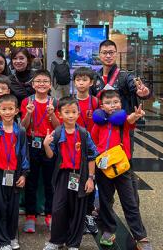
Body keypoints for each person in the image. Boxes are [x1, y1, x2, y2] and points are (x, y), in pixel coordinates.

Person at [91, 90, 152, 250]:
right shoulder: (99, 123)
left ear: (120, 103)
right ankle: (109, 230)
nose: (113, 105)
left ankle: (140, 236)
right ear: (102, 106)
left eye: (116, 102)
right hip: (103, 168)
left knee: (130, 202)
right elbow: (94, 141)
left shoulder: (123, 121)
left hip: (122, 168)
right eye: (109, 103)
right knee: (105, 200)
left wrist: (135, 115)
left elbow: (130, 120)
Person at [42, 96, 98, 250]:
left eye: (74, 112)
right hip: (63, 175)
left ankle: (73, 243)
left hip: (81, 175)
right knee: (58, 209)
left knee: (78, 210)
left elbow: (92, 156)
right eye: (67, 112)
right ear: (60, 114)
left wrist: (91, 179)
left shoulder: (84, 134)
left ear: (79, 113)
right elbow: (50, 156)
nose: (71, 115)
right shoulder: (58, 132)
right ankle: (56, 240)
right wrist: (46, 145)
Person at [0, 94, 29, 250]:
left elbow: (24, 154)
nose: (8, 112)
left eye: (11, 109)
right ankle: (2, 241)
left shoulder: (21, 131)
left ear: (17, 110)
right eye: (4, 109)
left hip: (14, 174)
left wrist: (23, 174)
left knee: (12, 208)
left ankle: (11, 237)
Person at [20, 69, 60, 233]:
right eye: (38, 81)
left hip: (49, 143)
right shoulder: (26, 101)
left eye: (45, 81)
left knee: (50, 182)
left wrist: (51, 115)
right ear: (33, 84)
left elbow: (59, 128)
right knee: (31, 181)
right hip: (32, 142)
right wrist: (29, 114)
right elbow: (23, 127)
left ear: (50, 84)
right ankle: (31, 215)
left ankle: (50, 214)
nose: (41, 84)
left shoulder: (55, 102)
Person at [72, 66, 100, 234]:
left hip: (91, 150)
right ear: (74, 82)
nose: (81, 83)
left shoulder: (96, 102)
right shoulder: (70, 101)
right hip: (73, 148)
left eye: (84, 80)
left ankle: (89, 213)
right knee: (74, 180)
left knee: (91, 181)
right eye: (78, 80)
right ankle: (76, 215)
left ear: (91, 83)